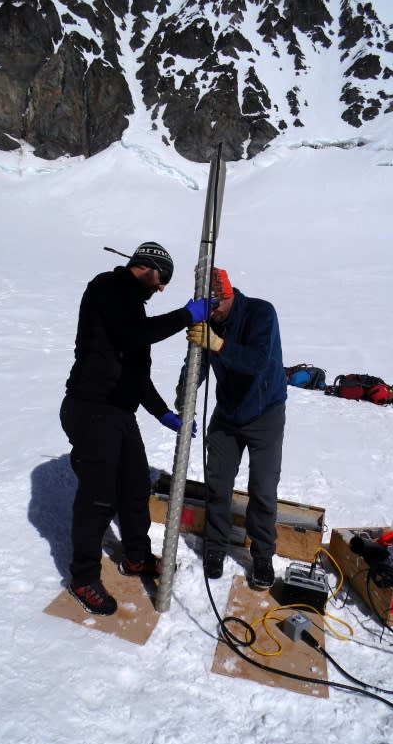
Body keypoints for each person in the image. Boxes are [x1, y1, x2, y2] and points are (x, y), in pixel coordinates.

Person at [60, 242, 210, 616]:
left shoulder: (133, 311)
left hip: (118, 412)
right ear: (147, 266)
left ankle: (137, 557)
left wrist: (164, 415)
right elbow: (132, 334)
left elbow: (137, 377)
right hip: (91, 406)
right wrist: (184, 317)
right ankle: (82, 577)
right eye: (164, 279)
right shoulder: (108, 288)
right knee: (98, 496)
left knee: (134, 486)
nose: (162, 289)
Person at [180, 268, 287, 590]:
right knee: (218, 483)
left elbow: (256, 361)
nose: (210, 312)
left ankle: (263, 554)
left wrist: (219, 344)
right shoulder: (207, 321)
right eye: (205, 307)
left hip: (265, 412)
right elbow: (195, 363)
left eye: (214, 305)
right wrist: (184, 395)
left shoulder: (261, 312)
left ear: (227, 295)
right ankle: (215, 547)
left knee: (263, 489)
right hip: (227, 413)